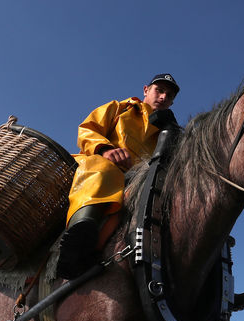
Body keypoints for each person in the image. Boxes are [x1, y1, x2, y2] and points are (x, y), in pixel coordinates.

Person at [55, 73, 181, 279]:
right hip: (97, 167)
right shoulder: (121, 108)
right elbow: (88, 129)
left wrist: (172, 133)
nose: (163, 97)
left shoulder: (166, 130)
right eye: (159, 90)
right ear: (146, 90)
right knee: (104, 168)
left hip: (137, 184)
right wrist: (105, 149)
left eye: (169, 95)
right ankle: (76, 244)